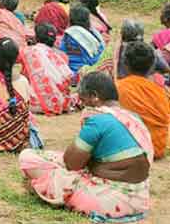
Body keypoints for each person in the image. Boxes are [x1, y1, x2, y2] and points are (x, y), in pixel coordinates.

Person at [19, 72, 153, 221]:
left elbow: (71, 164)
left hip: (110, 200)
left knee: (28, 158)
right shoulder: (133, 117)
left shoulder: (98, 120)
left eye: (83, 101)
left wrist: (91, 164)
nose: (83, 107)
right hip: (141, 197)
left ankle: (46, 189)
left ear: (94, 96)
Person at [118, 40, 170, 159]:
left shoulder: (119, 88)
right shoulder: (161, 91)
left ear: (125, 63)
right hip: (156, 148)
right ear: (152, 65)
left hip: (129, 149)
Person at [19, 23, 77, 115]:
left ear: (36, 37)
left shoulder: (28, 51)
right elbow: (69, 77)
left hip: (38, 104)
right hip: (62, 102)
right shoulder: (61, 55)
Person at [59, 5, 105, 76]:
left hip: (74, 73)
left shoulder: (70, 35)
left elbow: (62, 54)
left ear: (71, 19)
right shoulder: (94, 33)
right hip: (94, 68)